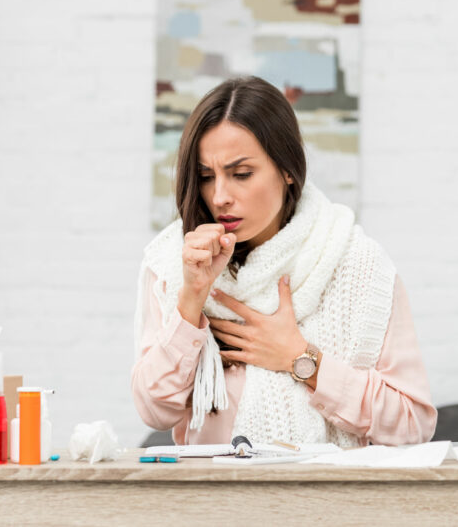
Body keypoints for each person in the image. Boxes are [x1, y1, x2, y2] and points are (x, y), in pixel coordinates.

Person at [132, 76, 436, 446]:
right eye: (206, 176)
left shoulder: (356, 264)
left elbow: (412, 424)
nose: (220, 196)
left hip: (327, 499)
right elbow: (155, 411)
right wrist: (191, 297)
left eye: (241, 174)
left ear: (288, 170)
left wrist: (299, 358)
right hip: (209, 498)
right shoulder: (172, 263)